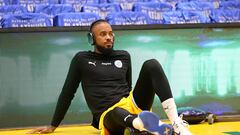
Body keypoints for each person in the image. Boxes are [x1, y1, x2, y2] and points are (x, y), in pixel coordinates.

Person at [27, 19, 193, 135]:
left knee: (152, 64)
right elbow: (67, 93)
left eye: (111, 33)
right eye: (103, 34)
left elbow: (127, 88)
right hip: (108, 115)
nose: (108, 37)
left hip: (131, 105)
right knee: (116, 111)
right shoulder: (81, 59)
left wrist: (134, 102)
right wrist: (53, 125)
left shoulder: (124, 56)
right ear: (92, 38)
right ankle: (142, 125)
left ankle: (176, 124)